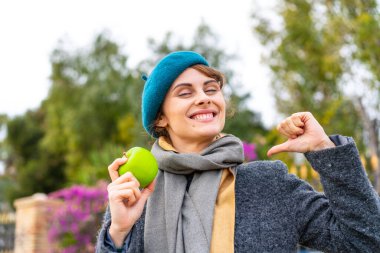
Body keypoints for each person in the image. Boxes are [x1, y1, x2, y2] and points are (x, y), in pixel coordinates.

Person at [96, 51, 380, 253]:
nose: (204, 97)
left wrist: (324, 150)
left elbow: (366, 240)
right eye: (185, 93)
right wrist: (119, 231)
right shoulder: (138, 192)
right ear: (160, 119)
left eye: (211, 89)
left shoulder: (269, 184)